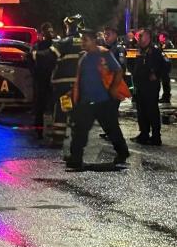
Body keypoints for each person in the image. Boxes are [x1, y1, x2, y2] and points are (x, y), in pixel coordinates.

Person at [64, 29, 130, 169]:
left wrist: (113, 89)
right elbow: (80, 78)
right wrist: (74, 92)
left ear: (93, 40)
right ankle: (75, 158)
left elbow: (118, 70)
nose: (82, 42)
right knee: (79, 130)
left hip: (103, 101)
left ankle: (123, 152)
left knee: (112, 129)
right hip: (86, 101)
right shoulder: (84, 57)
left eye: (85, 40)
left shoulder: (104, 54)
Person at [33, 15, 84, 147]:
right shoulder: (85, 41)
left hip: (64, 84)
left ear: (70, 27)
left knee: (61, 112)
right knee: (73, 112)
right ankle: (76, 141)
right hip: (78, 85)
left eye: (66, 26)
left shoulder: (65, 42)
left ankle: (58, 141)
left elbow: (48, 56)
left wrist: (33, 54)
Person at [132, 29, 165, 145]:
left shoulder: (154, 51)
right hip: (140, 86)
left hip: (150, 87)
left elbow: (164, 66)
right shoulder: (140, 51)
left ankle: (156, 137)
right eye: (139, 37)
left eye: (141, 36)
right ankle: (144, 134)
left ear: (148, 38)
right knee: (141, 112)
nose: (139, 38)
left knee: (152, 111)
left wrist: (156, 74)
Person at [32, 22, 55, 139]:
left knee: (53, 106)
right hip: (41, 80)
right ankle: (39, 131)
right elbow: (31, 61)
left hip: (53, 80)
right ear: (43, 33)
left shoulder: (55, 45)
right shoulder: (38, 45)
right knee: (40, 106)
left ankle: (53, 130)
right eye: (48, 31)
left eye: (51, 31)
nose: (50, 34)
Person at [157, 31, 173, 103]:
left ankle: (166, 97)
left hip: (166, 65)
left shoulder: (167, 43)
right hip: (163, 64)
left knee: (165, 81)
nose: (159, 37)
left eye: (160, 36)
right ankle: (165, 96)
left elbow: (164, 53)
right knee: (164, 81)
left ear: (164, 37)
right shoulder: (163, 43)